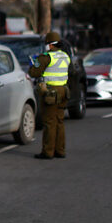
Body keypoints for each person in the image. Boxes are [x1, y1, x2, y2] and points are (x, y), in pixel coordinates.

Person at [29, 31, 69, 159]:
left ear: (50, 45)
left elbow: (34, 73)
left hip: (51, 92)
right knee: (59, 121)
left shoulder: (45, 57)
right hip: (63, 90)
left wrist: (34, 62)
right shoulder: (65, 56)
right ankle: (60, 151)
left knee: (49, 122)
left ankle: (48, 152)